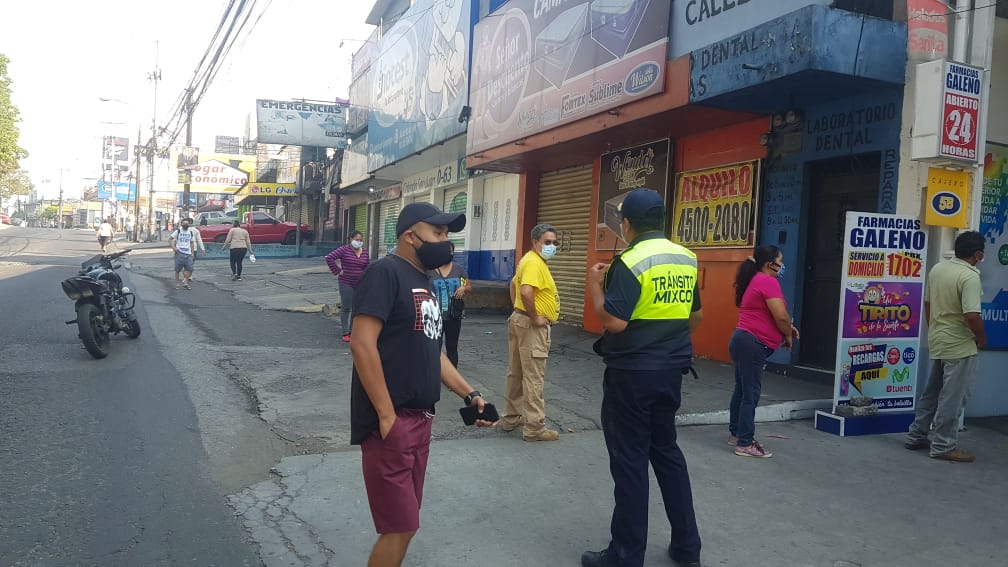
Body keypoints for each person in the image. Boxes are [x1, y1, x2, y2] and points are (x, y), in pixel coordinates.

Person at [349, 202, 497, 567]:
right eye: (439, 233)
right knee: (398, 526)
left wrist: (470, 393)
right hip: (392, 422)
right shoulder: (385, 274)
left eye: (448, 235)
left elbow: (435, 352)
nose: (446, 243)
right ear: (410, 236)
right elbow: (361, 343)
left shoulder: (427, 283)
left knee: (407, 524)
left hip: (421, 421)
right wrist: (386, 416)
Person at [583, 188, 703, 567]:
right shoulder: (686, 258)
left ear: (628, 224)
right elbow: (695, 316)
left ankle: (625, 555)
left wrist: (594, 287)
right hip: (671, 372)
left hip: (631, 375)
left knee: (630, 462)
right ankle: (687, 548)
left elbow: (615, 322)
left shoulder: (630, 260)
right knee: (667, 453)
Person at [905, 230, 987, 462]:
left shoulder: (938, 269)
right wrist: (981, 339)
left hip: (939, 339)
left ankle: (916, 435)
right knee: (953, 397)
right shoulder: (970, 277)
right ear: (978, 254)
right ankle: (943, 446)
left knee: (931, 393)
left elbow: (928, 304)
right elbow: (972, 315)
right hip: (960, 345)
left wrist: (934, 330)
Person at [728, 245, 799, 459]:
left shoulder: (757, 280)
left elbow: (772, 316)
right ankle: (745, 443)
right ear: (771, 264)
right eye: (780, 260)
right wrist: (787, 335)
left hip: (743, 340)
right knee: (750, 394)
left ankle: (736, 433)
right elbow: (781, 317)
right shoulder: (768, 281)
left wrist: (787, 330)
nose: (782, 265)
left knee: (742, 390)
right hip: (752, 343)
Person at [502, 223, 561, 442]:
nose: (552, 246)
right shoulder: (535, 263)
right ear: (535, 242)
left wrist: (518, 310)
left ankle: (511, 417)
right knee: (534, 376)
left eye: (555, 243)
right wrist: (534, 316)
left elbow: (513, 286)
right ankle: (535, 427)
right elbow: (525, 291)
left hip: (520, 321)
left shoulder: (528, 260)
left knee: (516, 372)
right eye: (547, 242)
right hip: (530, 326)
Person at [430, 242, 472, 367]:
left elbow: (469, 286)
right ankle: (434, 373)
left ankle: (452, 375)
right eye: (447, 251)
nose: (450, 254)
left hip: (454, 315)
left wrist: (464, 288)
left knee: (452, 347)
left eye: (452, 251)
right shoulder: (430, 271)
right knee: (434, 347)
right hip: (435, 317)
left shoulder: (458, 269)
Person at [325, 230, 371, 342]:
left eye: (361, 240)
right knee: (346, 307)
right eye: (356, 240)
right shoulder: (344, 250)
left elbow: (367, 266)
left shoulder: (364, 252)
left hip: (360, 284)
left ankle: (353, 331)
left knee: (357, 308)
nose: (359, 242)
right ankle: (345, 332)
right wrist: (337, 271)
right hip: (346, 282)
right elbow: (329, 258)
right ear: (350, 239)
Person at [169, 218, 205, 290]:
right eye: (184, 224)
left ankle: (185, 282)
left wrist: (192, 252)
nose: (185, 225)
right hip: (179, 253)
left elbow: (192, 242)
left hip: (188, 254)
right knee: (177, 270)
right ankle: (177, 283)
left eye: (187, 224)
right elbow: (170, 239)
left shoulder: (190, 232)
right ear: (181, 224)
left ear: (189, 224)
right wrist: (174, 248)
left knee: (190, 269)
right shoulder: (178, 231)